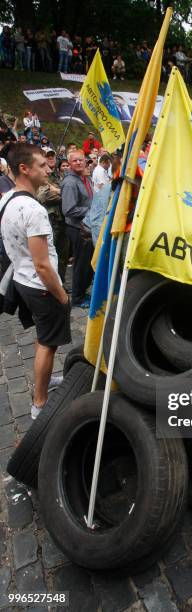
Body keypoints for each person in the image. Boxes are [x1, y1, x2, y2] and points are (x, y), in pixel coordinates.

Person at [0, 144, 71, 420]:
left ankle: (45, 381)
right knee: (48, 343)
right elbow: (42, 265)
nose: (48, 168)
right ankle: (39, 403)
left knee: (43, 338)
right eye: (42, 165)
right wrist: (62, 295)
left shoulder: (7, 199)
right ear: (24, 169)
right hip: (41, 286)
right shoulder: (33, 210)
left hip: (22, 279)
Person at [61, 149, 94, 307]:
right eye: (75, 161)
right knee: (81, 265)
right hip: (77, 229)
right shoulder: (70, 183)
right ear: (70, 163)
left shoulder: (84, 178)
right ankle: (77, 298)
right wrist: (92, 211)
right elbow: (68, 209)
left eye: (81, 160)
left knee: (86, 263)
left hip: (87, 227)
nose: (79, 162)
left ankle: (82, 292)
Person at [37, 150, 69, 283]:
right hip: (50, 221)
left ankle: (60, 283)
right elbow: (42, 196)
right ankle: (49, 284)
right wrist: (64, 193)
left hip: (63, 220)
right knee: (49, 255)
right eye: (47, 157)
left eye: (52, 156)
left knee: (63, 256)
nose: (51, 159)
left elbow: (70, 194)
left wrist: (57, 191)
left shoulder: (59, 175)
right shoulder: (40, 176)